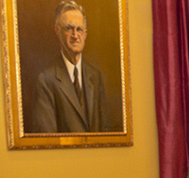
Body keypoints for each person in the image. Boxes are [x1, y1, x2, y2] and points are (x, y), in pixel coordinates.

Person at [26, 0, 119, 133]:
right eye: (69, 29)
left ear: (85, 34)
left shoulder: (96, 76)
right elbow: (47, 140)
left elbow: (106, 132)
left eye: (79, 29)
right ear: (57, 31)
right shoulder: (46, 80)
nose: (75, 36)